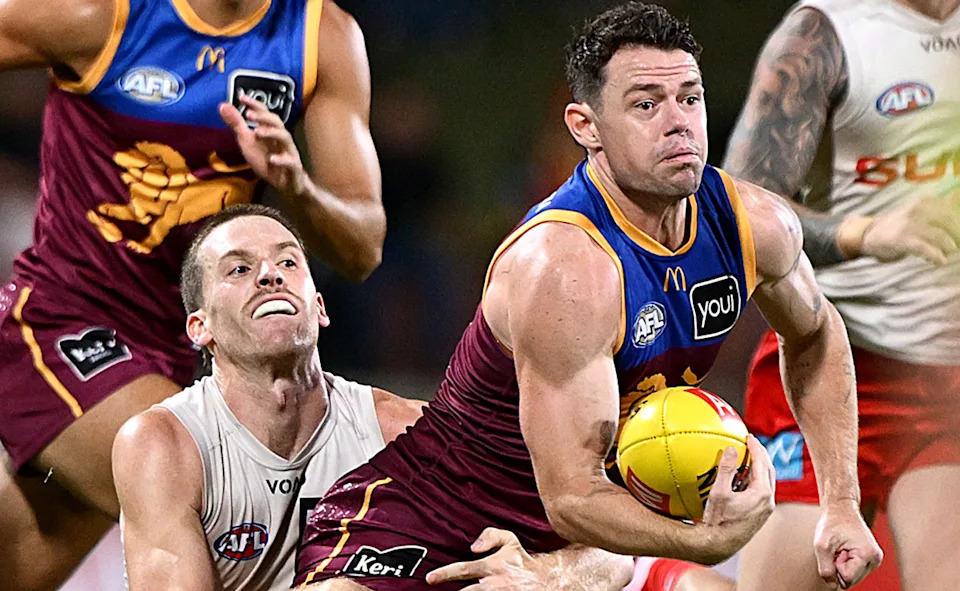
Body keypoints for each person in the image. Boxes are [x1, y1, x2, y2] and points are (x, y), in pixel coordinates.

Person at [292, 3, 882, 590]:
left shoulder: (756, 224)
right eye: (646, 104)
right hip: (432, 520)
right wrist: (707, 541)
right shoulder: (565, 269)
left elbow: (816, 333)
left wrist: (840, 501)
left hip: (583, 551)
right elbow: (571, 495)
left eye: (690, 98)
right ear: (585, 127)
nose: (678, 122)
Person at [0, 1, 385, 589]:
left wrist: (297, 186)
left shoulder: (321, 38)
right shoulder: (100, 13)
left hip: (190, 351)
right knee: (226, 510)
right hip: (63, 323)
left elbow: (363, 247)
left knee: (21, 556)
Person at [113, 204, 634, 591]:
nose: (270, 275)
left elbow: (610, 553)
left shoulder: (402, 433)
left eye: (289, 263)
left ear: (319, 307)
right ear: (199, 327)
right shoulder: (165, 445)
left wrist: (547, 576)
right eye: (239, 269)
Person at [723, 1, 960, 590]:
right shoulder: (825, 32)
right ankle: (649, 578)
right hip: (832, 366)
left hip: (945, 383)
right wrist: (868, 233)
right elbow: (742, 212)